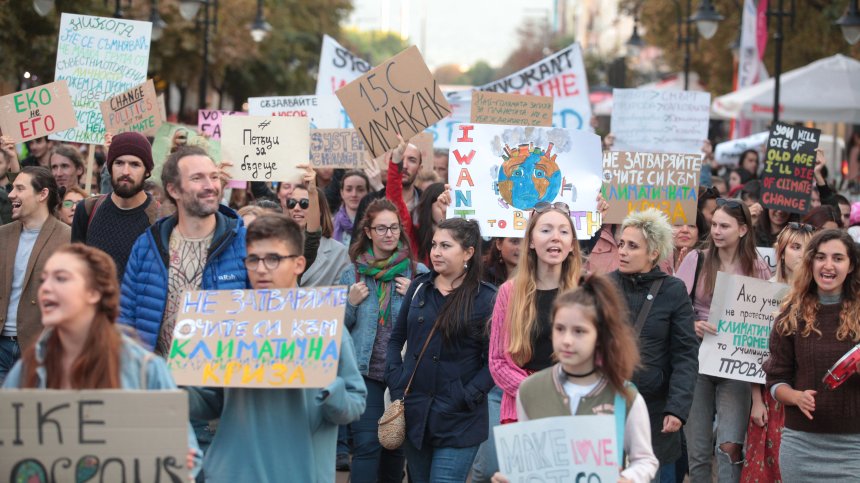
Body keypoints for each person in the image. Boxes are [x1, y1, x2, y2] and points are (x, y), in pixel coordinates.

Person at [186, 214, 366, 482]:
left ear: (298, 263)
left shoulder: (324, 326)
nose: (260, 269)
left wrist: (330, 386)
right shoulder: (229, 324)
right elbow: (208, 404)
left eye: (273, 259)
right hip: (231, 474)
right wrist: (179, 380)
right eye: (253, 259)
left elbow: (354, 404)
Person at [1, 244, 201, 479]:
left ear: (93, 293)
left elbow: (189, 457)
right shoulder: (30, 368)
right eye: (43, 280)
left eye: (61, 279)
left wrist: (179, 462)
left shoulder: (145, 369)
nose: (45, 289)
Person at [119, 146, 247, 449]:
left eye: (214, 177)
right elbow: (126, 319)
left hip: (220, 403)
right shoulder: (147, 245)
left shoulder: (245, 243)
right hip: (158, 395)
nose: (211, 185)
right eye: (198, 178)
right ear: (174, 189)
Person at [491, 276, 660, 483]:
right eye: (559, 329)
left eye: (579, 331)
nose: (567, 341)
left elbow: (645, 460)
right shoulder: (529, 390)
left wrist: (628, 478)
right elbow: (531, 465)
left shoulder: (625, 396)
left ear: (600, 336)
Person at [385, 218, 496, 482]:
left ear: (468, 252)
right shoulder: (419, 287)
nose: (436, 252)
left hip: (459, 420)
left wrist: (468, 395)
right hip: (415, 413)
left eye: (446, 246)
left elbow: (494, 360)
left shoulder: (487, 298)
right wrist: (396, 379)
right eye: (434, 245)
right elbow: (396, 339)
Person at [676, 199, 771, 482]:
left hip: (736, 368)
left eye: (724, 226)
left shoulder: (757, 267)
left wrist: (758, 394)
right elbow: (674, 308)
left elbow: (765, 325)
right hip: (698, 364)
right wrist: (692, 324)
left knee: (730, 447)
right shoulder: (697, 259)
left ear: (742, 229)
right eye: (714, 224)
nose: (716, 231)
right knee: (698, 450)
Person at [338, 199, 427, 483]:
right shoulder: (352, 274)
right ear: (368, 232)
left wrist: (416, 296)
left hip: (403, 376)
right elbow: (336, 328)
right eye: (381, 228)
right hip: (365, 374)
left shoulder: (419, 274)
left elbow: (430, 328)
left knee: (394, 446)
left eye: (394, 228)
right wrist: (350, 304)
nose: (389, 234)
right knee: (367, 445)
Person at [764, 229, 860, 481]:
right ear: (811, 262)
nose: (828, 265)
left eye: (838, 258)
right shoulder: (790, 315)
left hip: (853, 447)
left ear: (850, 266)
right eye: (821, 257)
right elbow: (775, 381)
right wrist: (795, 396)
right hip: (801, 444)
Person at [610, 209, 699, 482]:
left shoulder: (673, 290)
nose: (623, 251)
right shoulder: (604, 285)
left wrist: (677, 408)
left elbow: (685, 354)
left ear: (653, 253)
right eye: (622, 244)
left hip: (656, 409)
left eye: (633, 246)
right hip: (607, 404)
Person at [740, 221, 815, 482]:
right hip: (770, 394)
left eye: (807, 248)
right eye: (795, 246)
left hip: (805, 391)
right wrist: (756, 401)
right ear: (781, 251)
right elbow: (753, 349)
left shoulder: (818, 294)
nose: (801, 254)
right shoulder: (763, 291)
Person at [0, 167, 70, 384]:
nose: (11, 194)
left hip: (39, 350)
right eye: (12, 188)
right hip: (1, 348)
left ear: (42, 194)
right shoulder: (3, 235)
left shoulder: (68, 237)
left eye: (20, 188)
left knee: (29, 417)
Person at [71, 132, 161, 281]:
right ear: (110, 167)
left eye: (135, 164)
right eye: (119, 163)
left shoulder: (159, 219)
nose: (126, 171)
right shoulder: (87, 209)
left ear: (147, 172)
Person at [352, 135, 424, 253]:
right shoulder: (369, 201)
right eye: (400, 158)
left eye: (411, 160)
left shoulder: (428, 203)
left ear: (420, 168)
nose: (404, 165)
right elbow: (357, 244)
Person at [287, 184, 350, 286]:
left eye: (304, 203)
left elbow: (341, 296)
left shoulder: (339, 252)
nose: (296, 208)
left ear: (319, 210)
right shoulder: (277, 247)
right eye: (292, 203)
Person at [332, 170, 370, 247]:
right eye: (349, 189)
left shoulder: (375, 223)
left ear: (368, 193)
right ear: (342, 193)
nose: (354, 194)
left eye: (360, 190)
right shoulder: (330, 225)